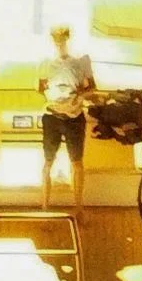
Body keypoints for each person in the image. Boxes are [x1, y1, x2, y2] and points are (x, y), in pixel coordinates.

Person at [38, 24, 97, 179]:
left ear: (67, 38)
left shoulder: (81, 60)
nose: (59, 42)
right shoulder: (46, 62)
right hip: (53, 113)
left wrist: (79, 95)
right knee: (48, 162)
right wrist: (52, 97)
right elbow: (40, 88)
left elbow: (92, 87)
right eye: (56, 39)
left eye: (62, 38)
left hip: (74, 113)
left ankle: (79, 204)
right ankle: (44, 203)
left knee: (76, 162)